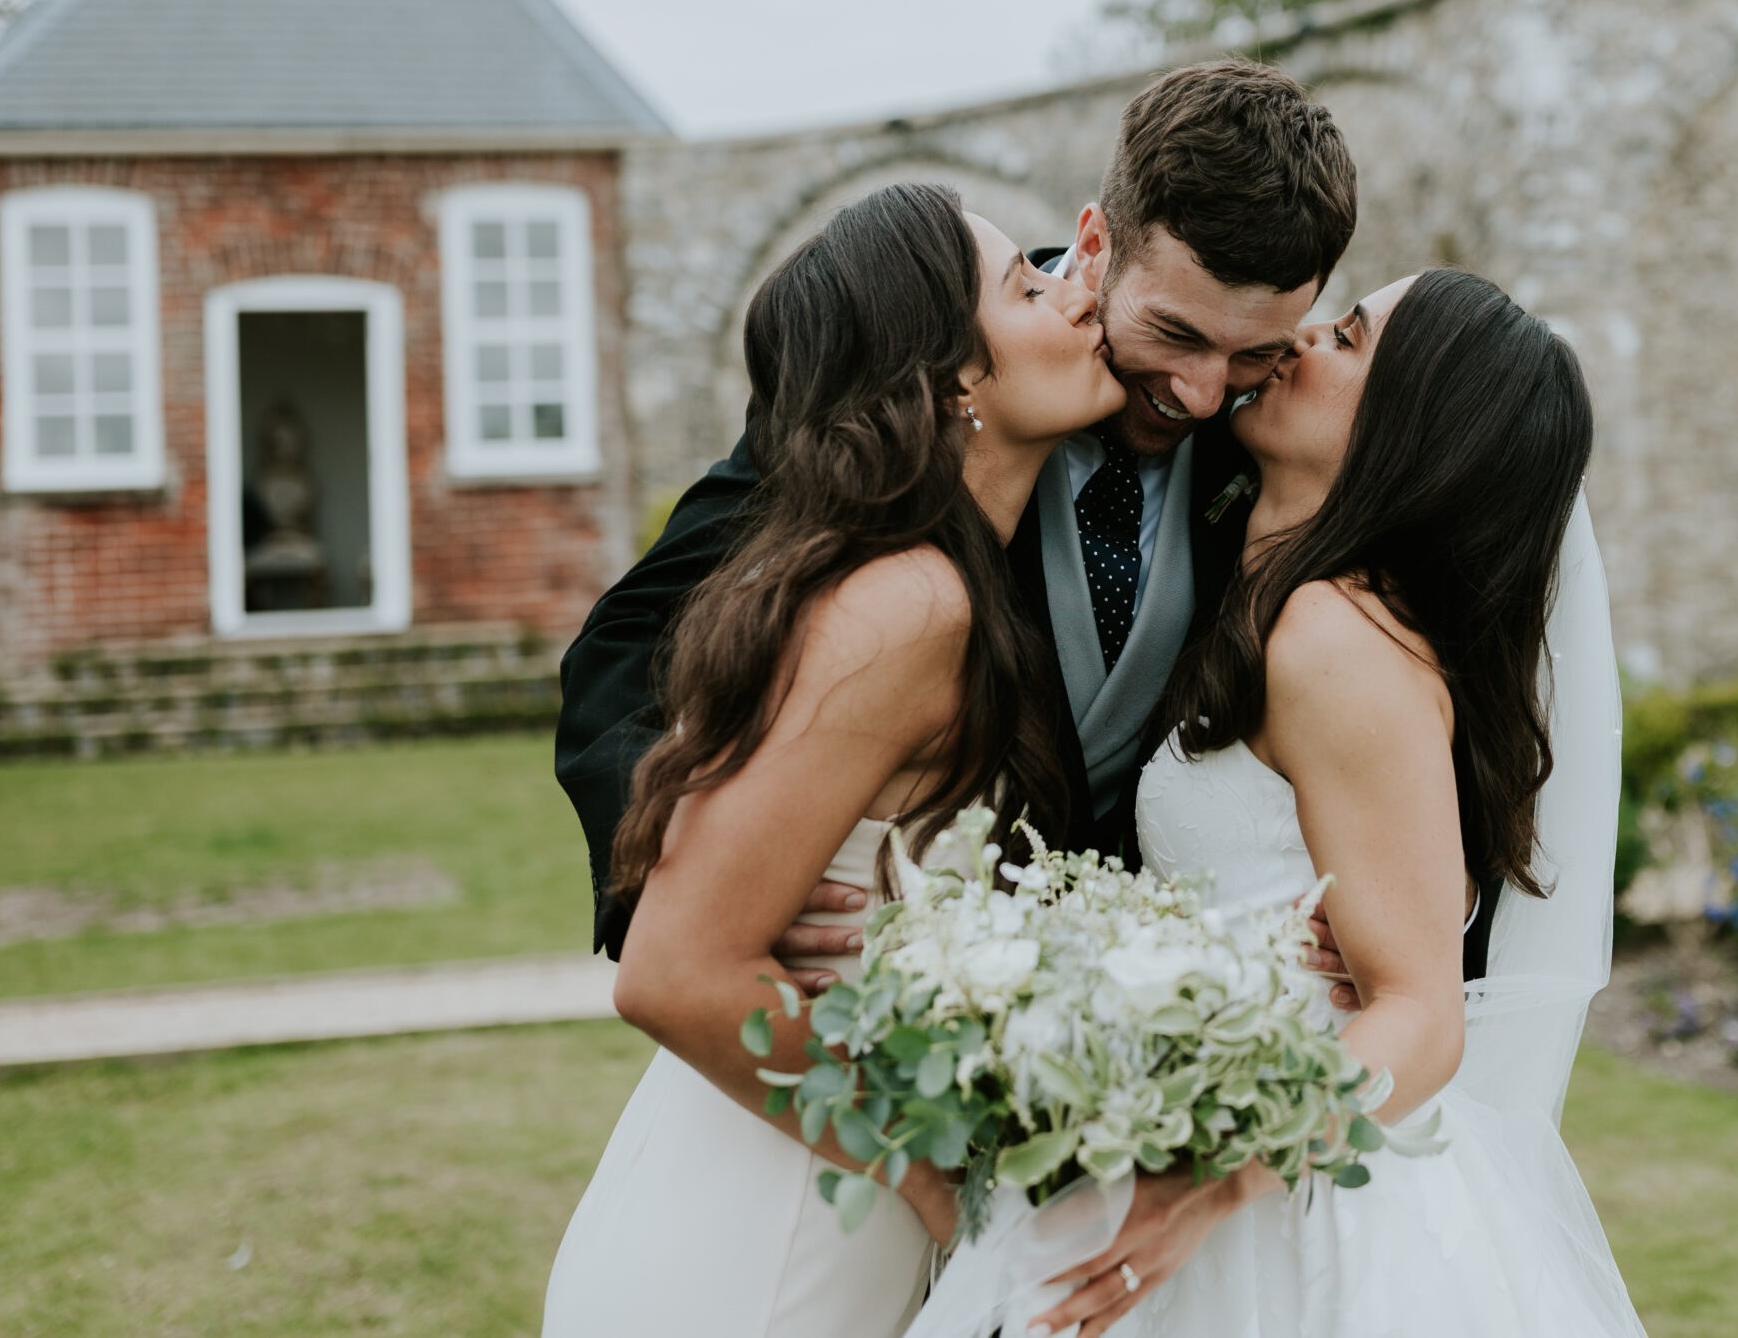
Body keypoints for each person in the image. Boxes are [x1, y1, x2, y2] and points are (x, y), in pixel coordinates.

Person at [552, 59, 1365, 990]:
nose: (1202, 391)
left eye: (1252, 351)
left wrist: (1398, 883)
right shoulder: (907, 369)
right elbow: (624, 645)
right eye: (1176, 334)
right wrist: (696, 879)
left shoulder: (1278, 437)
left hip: (1122, 1008)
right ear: (1096, 244)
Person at [540, 183, 1125, 1336]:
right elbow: (673, 972)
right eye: (1025, 284)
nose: (1072, 298)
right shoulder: (908, 606)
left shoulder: (933, 586)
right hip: (765, 1249)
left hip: (816, 1207)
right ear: (955, 376)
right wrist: (929, 1174)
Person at [1032, 269, 1649, 1338]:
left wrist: (1211, 1186)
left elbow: (1419, 1015)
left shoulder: (1333, 638)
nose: (1302, 338)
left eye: (1350, 335)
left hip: (1289, 1207)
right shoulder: (1264, 588)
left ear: (1413, 433)